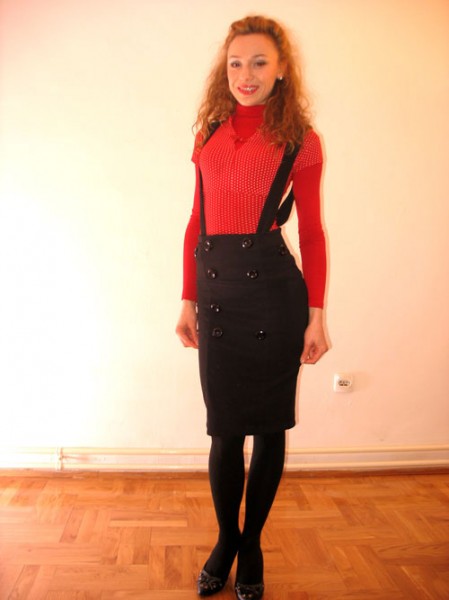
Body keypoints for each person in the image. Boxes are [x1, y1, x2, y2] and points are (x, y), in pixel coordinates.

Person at [176, 15, 328, 600]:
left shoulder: (301, 140)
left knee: (267, 427)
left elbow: (311, 232)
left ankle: (253, 543)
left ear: (282, 69)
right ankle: (225, 539)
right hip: (217, 295)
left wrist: (317, 315)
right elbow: (197, 221)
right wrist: (187, 298)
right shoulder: (208, 133)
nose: (246, 74)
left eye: (260, 62)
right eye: (236, 63)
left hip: (273, 295)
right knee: (223, 431)